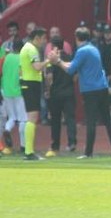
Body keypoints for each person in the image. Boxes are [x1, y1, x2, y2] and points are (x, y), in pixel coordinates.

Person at [47, 27, 111, 158]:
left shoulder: (82, 51)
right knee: (108, 120)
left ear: (76, 37)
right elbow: (73, 65)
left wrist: (57, 61)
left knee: (91, 121)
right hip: (102, 87)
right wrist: (60, 62)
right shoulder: (93, 48)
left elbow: (70, 70)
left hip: (90, 90)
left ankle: (88, 153)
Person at [45, 35, 77, 155]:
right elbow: (75, 77)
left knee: (55, 120)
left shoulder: (51, 60)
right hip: (68, 92)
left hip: (56, 93)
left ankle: (55, 145)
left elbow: (49, 77)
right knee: (70, 119)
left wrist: (48, 90)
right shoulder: (70, 57)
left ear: (53, 46)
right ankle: (72, 142)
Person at [19, 27, 48, 160]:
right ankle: (29, 152)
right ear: (37, 37)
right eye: (43, 38)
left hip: (28, 83)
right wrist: (49, 60)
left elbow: (22, 70)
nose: (44, 41)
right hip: (31, 84)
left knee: (32, 117)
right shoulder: (31, 49)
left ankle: (28, 150)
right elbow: (36, 67)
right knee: (32, 117)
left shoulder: (26, 48)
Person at [1, 39, 26, 154]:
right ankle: (23, 146)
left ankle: (7, 129)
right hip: (18, 91)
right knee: (23, 119)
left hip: (6, 90)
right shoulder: (22, 58)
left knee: (11, 117)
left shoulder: (6, 58)